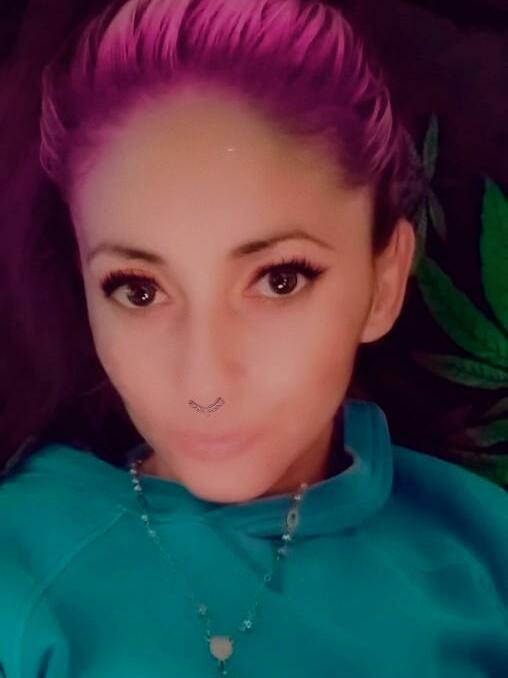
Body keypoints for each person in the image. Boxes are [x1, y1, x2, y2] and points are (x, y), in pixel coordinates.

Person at [0, 0, 506, 676]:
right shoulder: (19, 558)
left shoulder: (483, 549)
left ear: (383, 284)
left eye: (279, 280)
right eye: (139, 291)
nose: (204, 381)